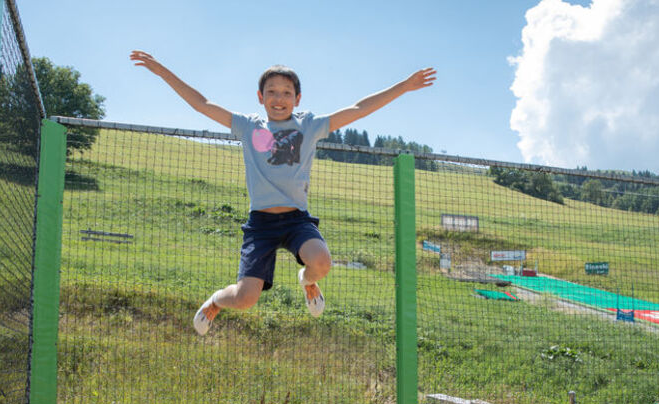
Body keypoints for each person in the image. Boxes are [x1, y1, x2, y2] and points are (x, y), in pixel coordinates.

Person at [130, 50, 436, 336]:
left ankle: (307, 280)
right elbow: (202, 104)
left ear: (297, 98)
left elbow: (358, 109)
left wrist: (404, 86)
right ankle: (216, 301)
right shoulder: (248, 126)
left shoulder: (310, 126)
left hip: (295, 220)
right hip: (261, 224)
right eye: (272, 92)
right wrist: (162, 71)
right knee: (245, 298)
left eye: (287, 93)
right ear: (260, 97)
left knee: (321, 262)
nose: (279, 98)